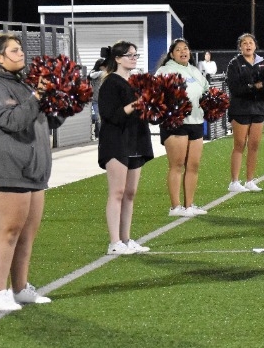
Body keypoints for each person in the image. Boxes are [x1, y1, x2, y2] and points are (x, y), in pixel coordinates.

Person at [0, 33, 56, 311]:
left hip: (30, 167)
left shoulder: (20, 84)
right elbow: (13, 120)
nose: (22, 55)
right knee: (7, 230)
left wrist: (60, 98)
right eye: (15, 50)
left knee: (27, 232)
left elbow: (47, 120)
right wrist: (38, 95)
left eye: (21, 50)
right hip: (4, 165)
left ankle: (19, 288)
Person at [98, 41, 154, 255]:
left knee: (130, 193)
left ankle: (126, 239)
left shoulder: (136, 82)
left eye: (135, 55)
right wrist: (136, 104)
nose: (133, 58)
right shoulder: (110, 83)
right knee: (117, 192)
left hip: (136, 140)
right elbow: (110, 115)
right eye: (129, 55)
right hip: (116, 141)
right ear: (117, 58)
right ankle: (114, 242)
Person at [156, 38, 210, 217]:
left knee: (193, 165)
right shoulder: (164, 71)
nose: (183, 51)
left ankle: (189, 205)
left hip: (196, 122)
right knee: (177, 165)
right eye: (178, 49)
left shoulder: (195, 71)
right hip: (176, 123)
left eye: (185, 48)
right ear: (172, 54)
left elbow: (206, 92)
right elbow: (158, 94)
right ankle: (175, 207)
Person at [226, 33, 264, 192]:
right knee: (239, 144)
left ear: (255, 46)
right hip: (241, 108)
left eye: (251, 43)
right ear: (240, 47)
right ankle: (234, 182)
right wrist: (252, 87)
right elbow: (234, 87)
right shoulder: (234, 64)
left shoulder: (263, 63)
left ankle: (250, 180)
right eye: (244, 43)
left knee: (254, 145)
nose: (248, 45)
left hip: (259, 108)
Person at [88, 58, 106, 139]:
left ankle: (99, 134)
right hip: (96, 99)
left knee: (101, 118)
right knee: (98, 118)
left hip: (103, 99)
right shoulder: (96, 73)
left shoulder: (102, 74)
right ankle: (98, 135)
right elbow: (92, 75)